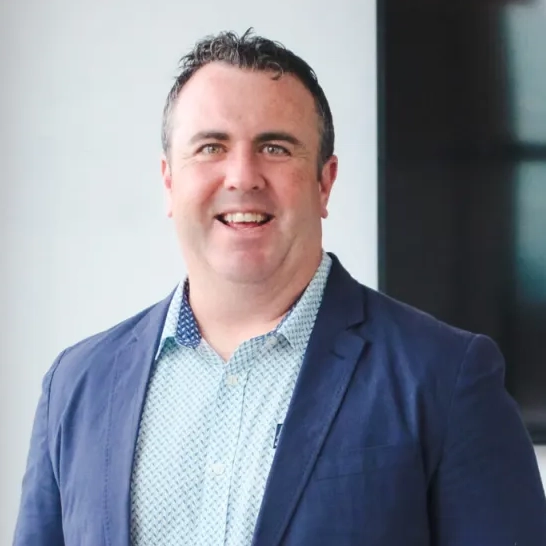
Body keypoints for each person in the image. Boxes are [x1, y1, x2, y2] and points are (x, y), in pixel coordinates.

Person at [13, 29, 546, 546]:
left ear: (324, 182)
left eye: (274, 147)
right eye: (211, 147)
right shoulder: (76, 386)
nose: (242, 176)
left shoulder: (447, 378)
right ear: (169, 181)